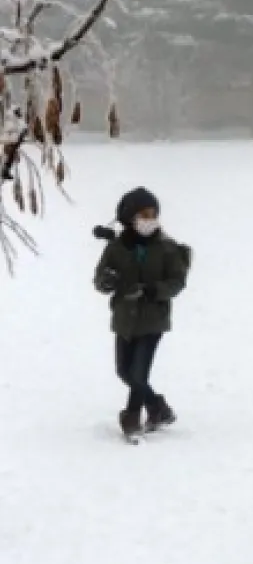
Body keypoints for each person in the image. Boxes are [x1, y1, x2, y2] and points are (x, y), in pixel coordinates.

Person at [92, 187, 192, 444]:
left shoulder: (167, 248)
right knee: (124, 371)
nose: (149, 220)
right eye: (143, 215)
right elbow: (100, 279)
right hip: (124, 319)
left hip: (153, 319)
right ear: (129, 218)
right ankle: (159, 409)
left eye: (153, 214)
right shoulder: (116, 248)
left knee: (139, 373)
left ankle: (132, 418)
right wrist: (107, 281)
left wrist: (153, 291)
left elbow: (177, 282)